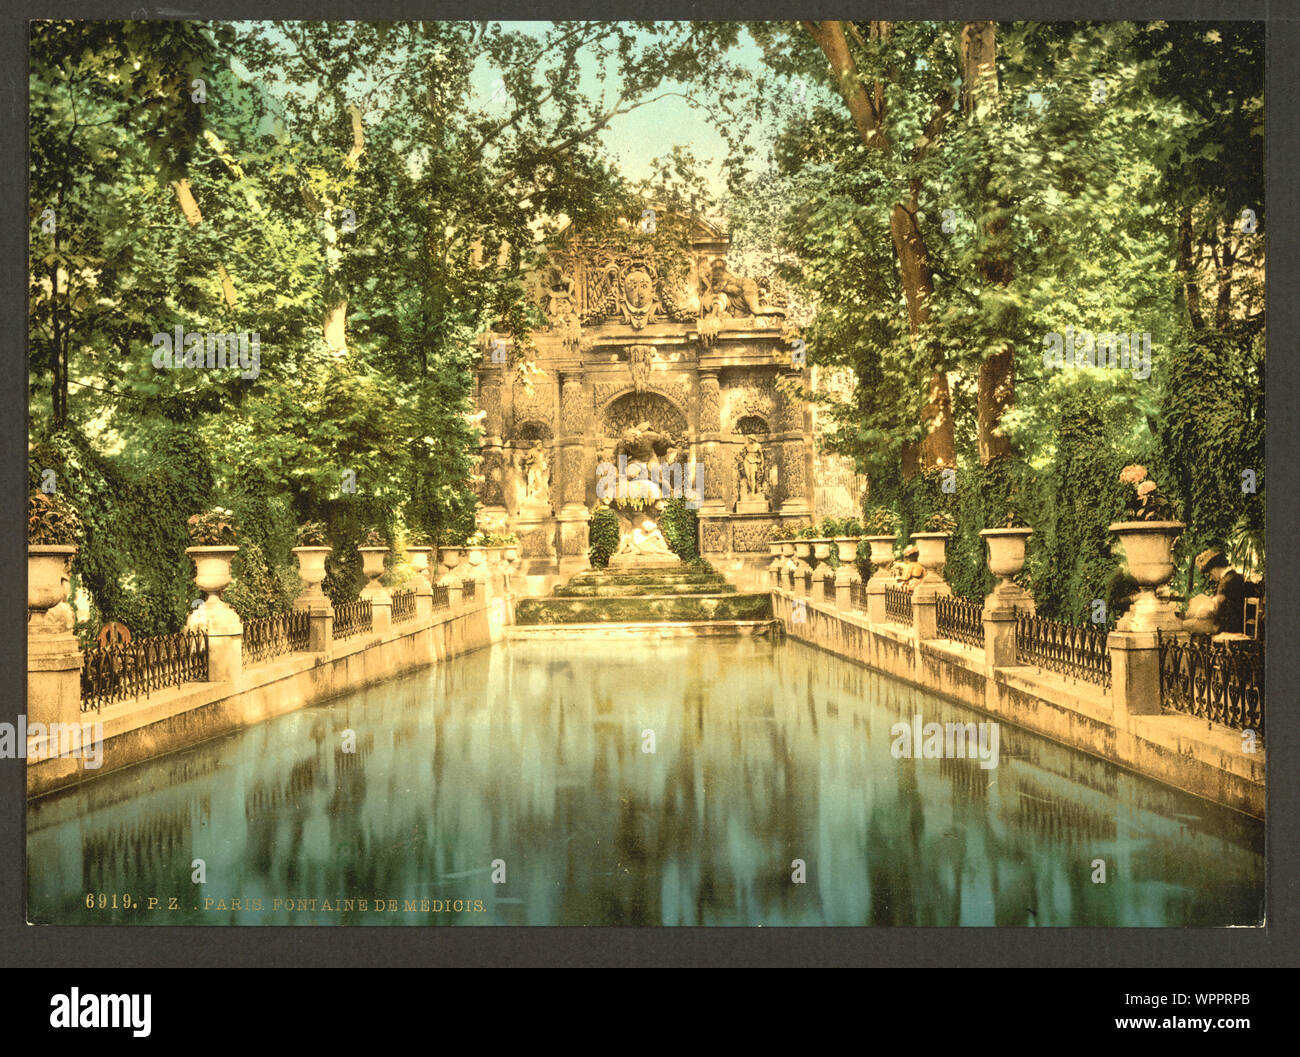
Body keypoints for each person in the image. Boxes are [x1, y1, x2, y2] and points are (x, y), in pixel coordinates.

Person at [1184, 548, 1248, 635]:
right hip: (1232, 623)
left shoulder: (1226, 582)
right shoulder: (1233, 576)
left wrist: (1201, 608)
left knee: (1186, 625)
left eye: (1210, 574)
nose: (1211, 577)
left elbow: (1217, 610)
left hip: (1226, 626)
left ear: (1215, 569)